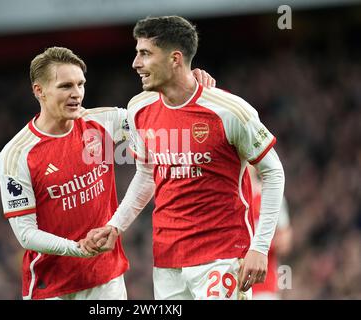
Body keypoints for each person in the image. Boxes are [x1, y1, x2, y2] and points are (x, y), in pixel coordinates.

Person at [83, 16, 285, 300]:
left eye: (145, 54)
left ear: (175, 58)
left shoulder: (229, 110)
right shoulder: (139, 108)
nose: (135, 63)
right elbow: (146, 174)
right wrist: (116, 225)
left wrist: (260, 248)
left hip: (222, 255)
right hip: (167, 260)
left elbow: (273, 172)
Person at [0, 46, 215, 300]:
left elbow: (156, 112)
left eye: (81, 84)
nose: (76, 94)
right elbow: (25, 234)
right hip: (50, 288)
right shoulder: (16, 154)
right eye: (66, 86)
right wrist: (76, 249)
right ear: (39, 91)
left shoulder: (104, 122)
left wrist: (186, 84)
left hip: (106, 281)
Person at [248, 166, 293, 300]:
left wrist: (256, 244)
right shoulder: (229, 198)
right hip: (231, 286)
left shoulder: (269, 196)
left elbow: (285, 242)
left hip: (263, 288)